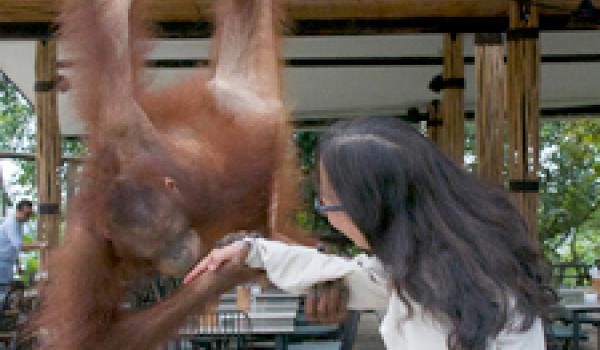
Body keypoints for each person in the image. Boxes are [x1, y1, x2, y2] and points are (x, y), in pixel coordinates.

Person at [186, 117, 553, 350]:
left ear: (374, 209)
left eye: (328, 206)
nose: (329, 220)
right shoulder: (459, 254)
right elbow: (370, 277)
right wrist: (253, 251)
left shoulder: (442, 293)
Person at [0, 200, 45, 291]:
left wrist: (18, 265)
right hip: (2, 263)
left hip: (8, 263)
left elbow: (13, 247)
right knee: (3, 293)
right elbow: (20, 246)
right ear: (18, 211)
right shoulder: (11, 224)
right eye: (26, 214)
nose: (28, 217)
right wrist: (39, 245)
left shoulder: (19, 224)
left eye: (30, 214)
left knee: (6, 292)